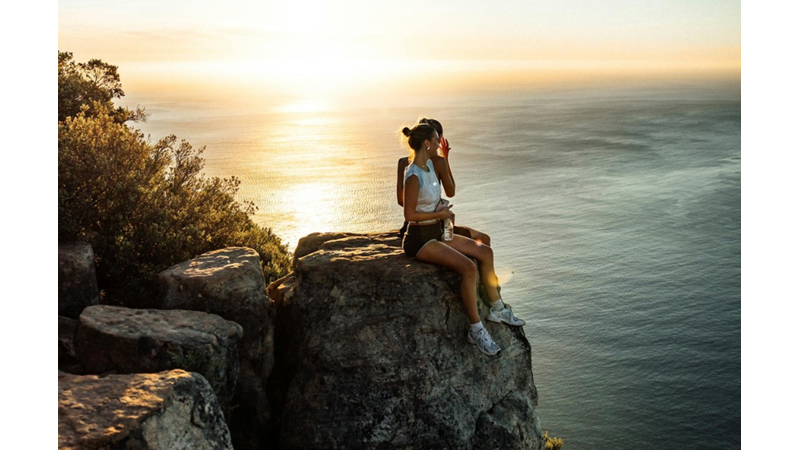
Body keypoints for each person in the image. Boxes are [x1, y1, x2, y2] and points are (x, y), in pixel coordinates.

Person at [399, 122, 525, 356]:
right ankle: (476, 329)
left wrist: (441, 210)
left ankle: (496, 308)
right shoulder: (413, 175)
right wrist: (439, 214)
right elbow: (409, 214)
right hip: (420, 239)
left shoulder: (430, 166)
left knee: (485, 252)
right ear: (427, 143)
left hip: (437, 231)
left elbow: (445, 192)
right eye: (436, 140)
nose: (439, 143)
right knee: (468, 267)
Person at [396, 118, 491, 246]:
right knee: (484, 239)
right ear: (429, 141)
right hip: (436, 226)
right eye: (437, 139)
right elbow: (451, 192)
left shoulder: (403, 163)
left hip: (409, 227)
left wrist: (424, 207)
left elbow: (401, 201)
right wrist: (445, 159)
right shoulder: (439, 162)